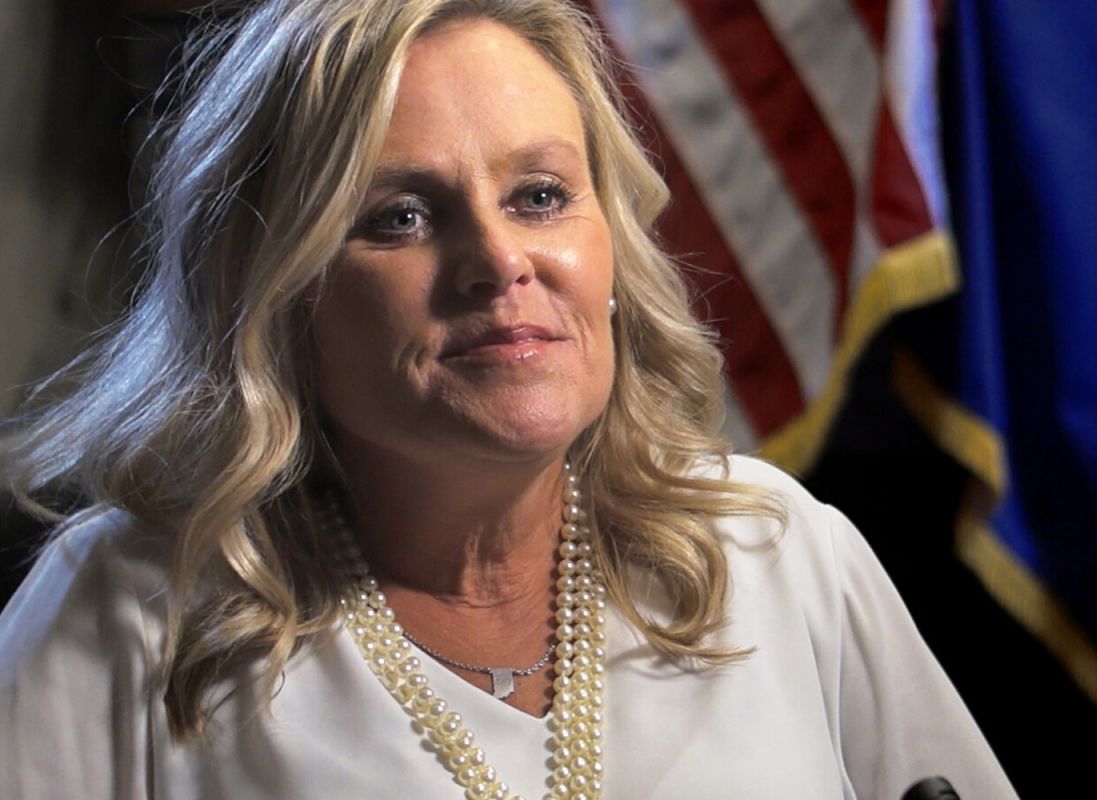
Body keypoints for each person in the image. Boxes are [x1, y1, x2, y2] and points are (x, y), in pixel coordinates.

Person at [0, 1, 1018, 798]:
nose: (497, 260)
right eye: (401, 215)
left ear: (610, 249)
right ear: (275, 294)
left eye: (539, 196)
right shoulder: (131, 606)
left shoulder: (782, 548)